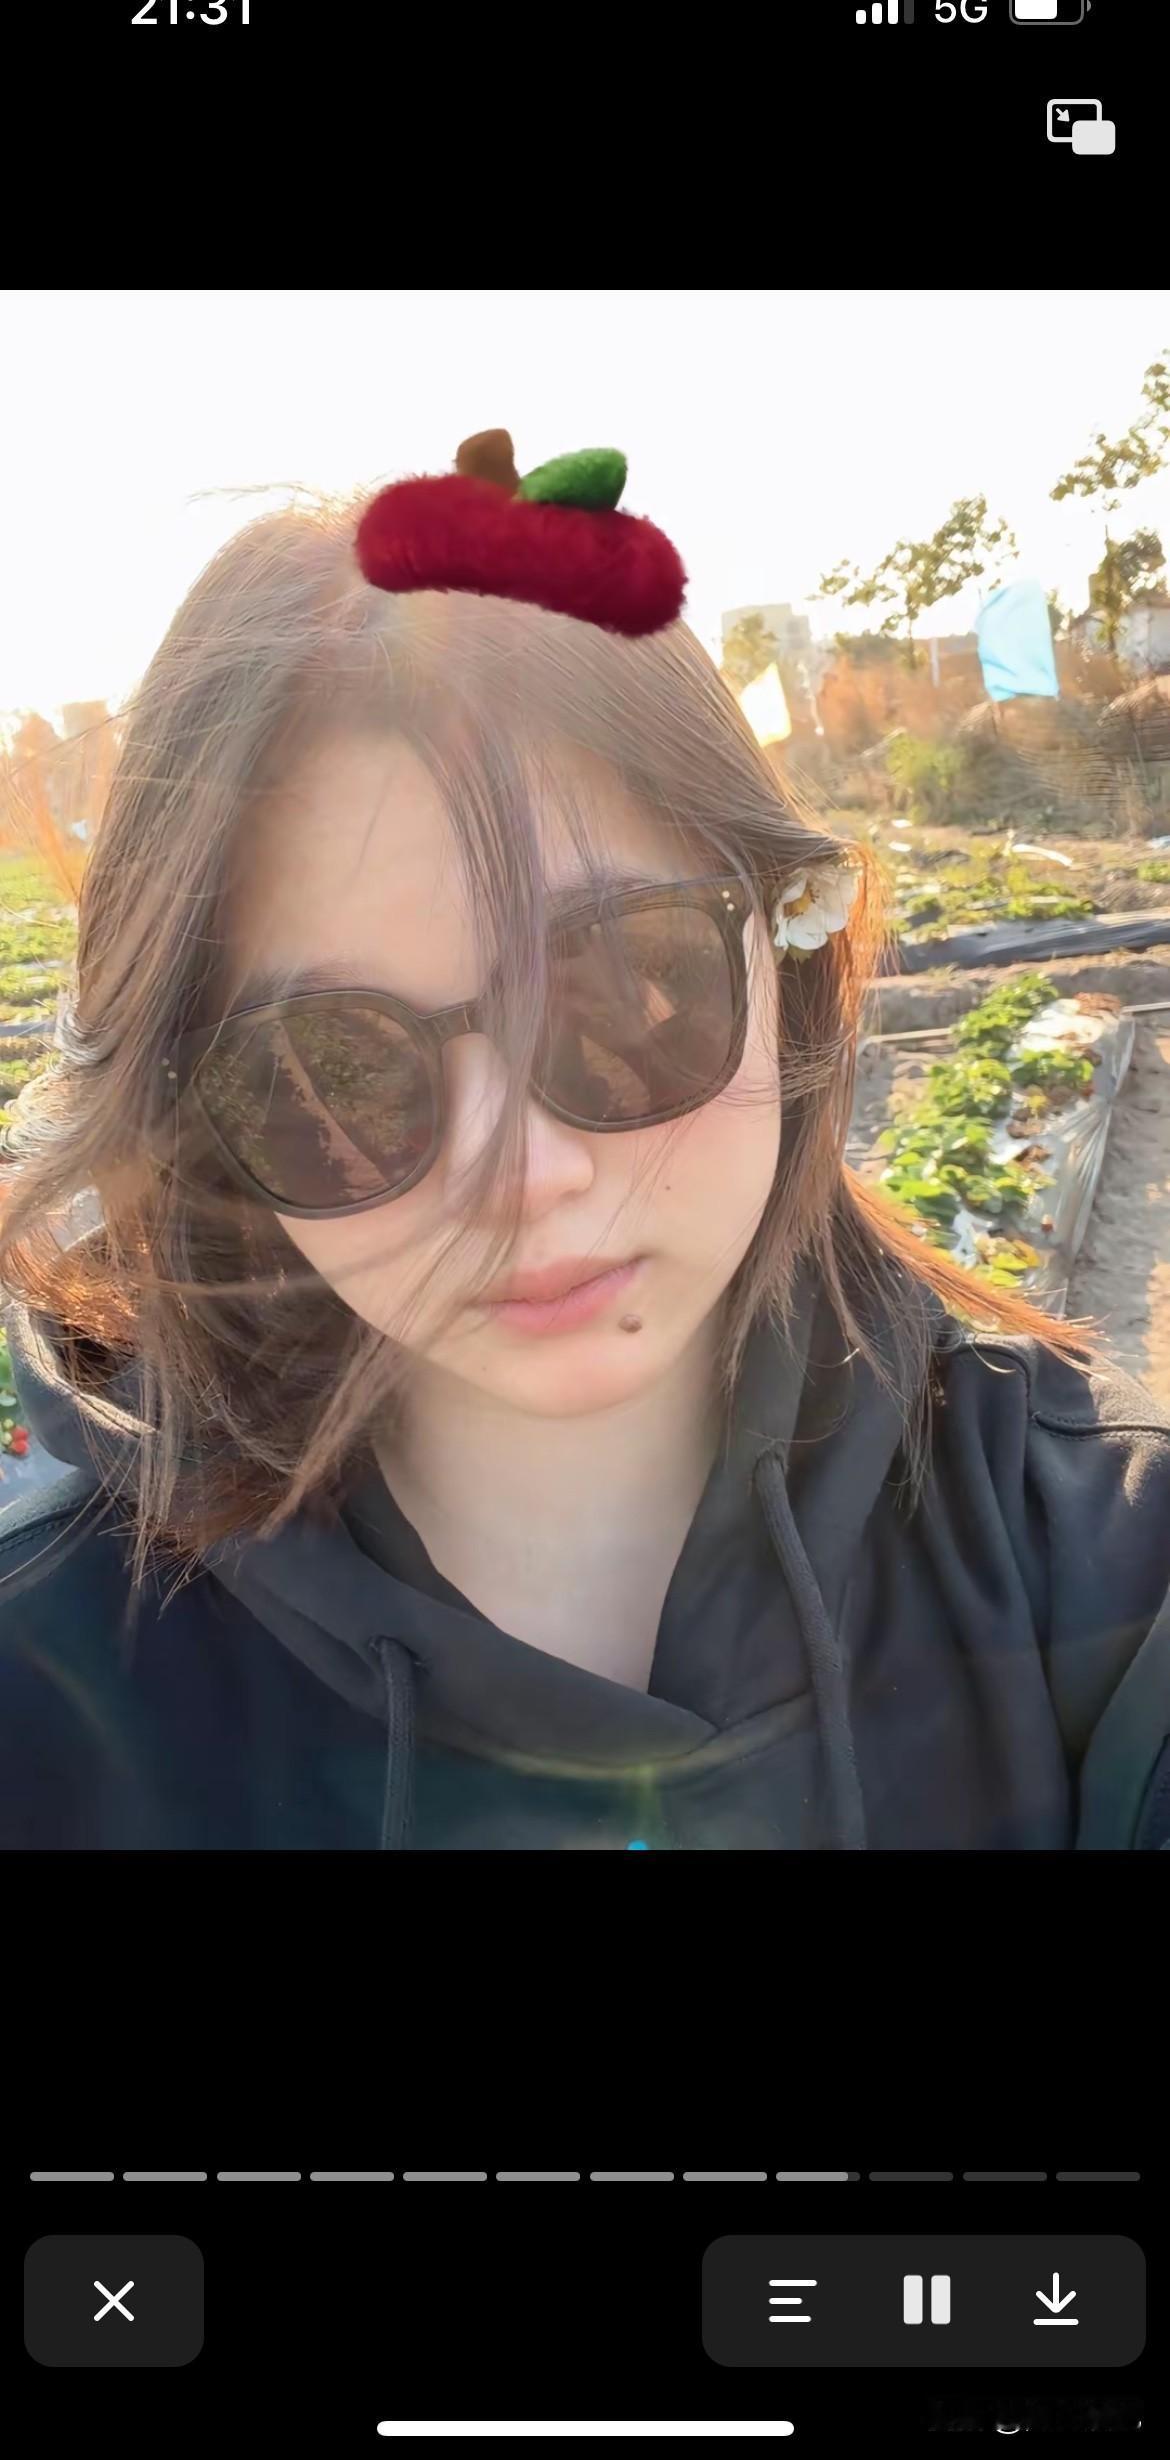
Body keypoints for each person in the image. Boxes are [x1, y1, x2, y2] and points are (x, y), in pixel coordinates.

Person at [1, 427, 1169, 1852]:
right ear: (191, 1122)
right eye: (333, 1073)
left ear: (786, 947)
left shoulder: (1103, 1562)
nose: (524, 1177)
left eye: (623, 986)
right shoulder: (48, 1698)